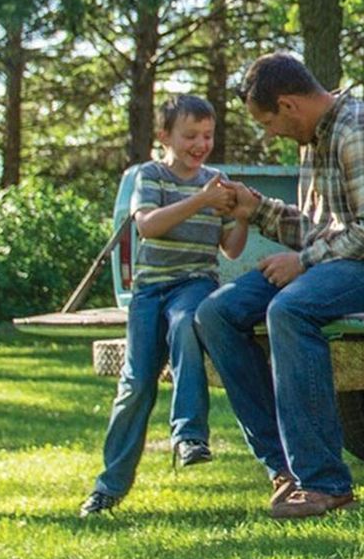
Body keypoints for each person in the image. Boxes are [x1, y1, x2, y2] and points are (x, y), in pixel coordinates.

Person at [196, 53, 364, 519]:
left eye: (268, 121)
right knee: (216, 314)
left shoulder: (360, 131)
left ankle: (325, 482)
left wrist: (303, 263)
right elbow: (319, 229)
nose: (270, 133)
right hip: (348, 263)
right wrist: (255, 209)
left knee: (290, 310)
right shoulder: (316, 140)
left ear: (288, 105)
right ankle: (284, 468)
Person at [80, 96, 248, 517]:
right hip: (149, 291)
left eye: (207, 135)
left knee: (186, 325)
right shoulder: (150, 176)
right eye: (190, 135)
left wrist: (242, 213)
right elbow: (148, 225)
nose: (200, 144)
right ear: (164, 137)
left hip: (194, 283)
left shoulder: (217, 183)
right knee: (135, 383)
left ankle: (190, 435)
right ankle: (109, 487)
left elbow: (230, 249)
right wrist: (202, 201)